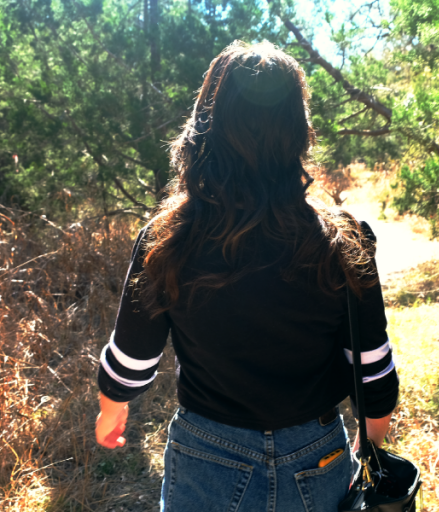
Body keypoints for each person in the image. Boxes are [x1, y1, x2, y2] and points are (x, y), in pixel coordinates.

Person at [93, 41, 399, 512]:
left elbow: (134, 355)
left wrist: (112, 410)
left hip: (206, 454)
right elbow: (371, 363)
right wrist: (371, 441)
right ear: (298, 132)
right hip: (317, 454)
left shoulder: (168, 235)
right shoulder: (343, 237)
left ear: (204, 126)